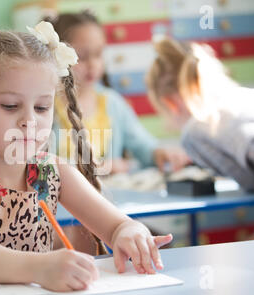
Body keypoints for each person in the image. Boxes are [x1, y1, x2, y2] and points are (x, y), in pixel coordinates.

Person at [0, 6, 173, 292]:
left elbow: (117, 225)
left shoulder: (53, 170)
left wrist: (131, 233)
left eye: (42, 107)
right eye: (10, 106)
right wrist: (41, 267)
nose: (29, 121)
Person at [146, 37, 254, 239]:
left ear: (170, 103)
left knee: (251, 252)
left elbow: (247, 179)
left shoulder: (193, 131)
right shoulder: (241, 95)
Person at [47, 11, 190, 175]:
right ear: (56, 56)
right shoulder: (45, 106)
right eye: (82, 57)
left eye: (99, 54)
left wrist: (159, 153)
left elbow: (143, 144)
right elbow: (37, 163)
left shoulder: (112, 103)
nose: (93, 64)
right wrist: (99, 168)